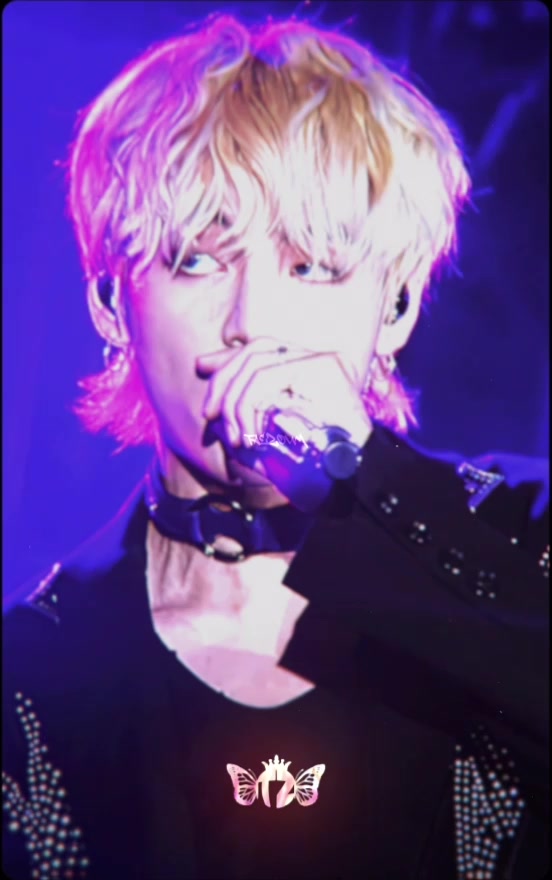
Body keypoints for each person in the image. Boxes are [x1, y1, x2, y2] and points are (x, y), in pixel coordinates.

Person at [2, 11, 549, 880]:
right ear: (111, 305)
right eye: (196, 259)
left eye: (313, 266)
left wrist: (362, 483)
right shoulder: (31, 671)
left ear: (397, 308)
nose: (252, 323)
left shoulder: (517, 537)